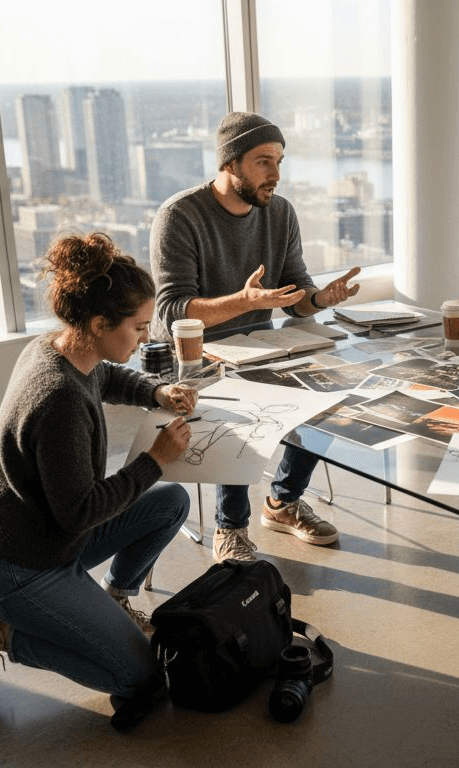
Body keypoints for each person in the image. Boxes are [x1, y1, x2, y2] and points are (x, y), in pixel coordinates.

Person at [0, 233, 198, 731]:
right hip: (19, 566)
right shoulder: (59, 399)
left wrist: (156, 392)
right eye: (137, 327)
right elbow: (81, 511)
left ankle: (110, 600)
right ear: (99, 323)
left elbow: (105, 377)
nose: (144, 338)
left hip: (49, 540)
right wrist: (155, 459)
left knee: (170, 501)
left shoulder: (60, 348)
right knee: (140, 675)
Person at [150, 111, 360, 564]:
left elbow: (293, 297)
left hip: (259, 348)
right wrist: (244, 302)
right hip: (190, 355)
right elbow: (170, 312)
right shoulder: (179, 216)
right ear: (230, 163)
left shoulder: (280, 213)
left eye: (280, 161)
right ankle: (231, 528)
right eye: (264, 161)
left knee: (329, 397)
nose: (276, 175)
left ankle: (282, 502)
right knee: (239, 403)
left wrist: (320, 298)